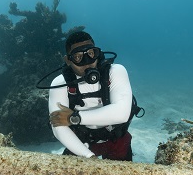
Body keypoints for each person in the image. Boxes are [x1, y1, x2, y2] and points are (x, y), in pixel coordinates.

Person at [48, 31, 136, 161]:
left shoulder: (115, 71)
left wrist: (73, 118)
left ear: (97, 53)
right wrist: (88, 156)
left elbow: (121, 113)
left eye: (91, 54)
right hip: (80, 142)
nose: (87, 63)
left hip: (115, 138)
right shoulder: (60, 84)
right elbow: (58, 125)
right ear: (68, 60)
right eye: (78, 57)